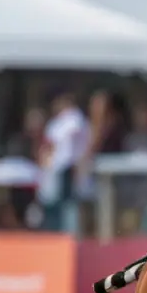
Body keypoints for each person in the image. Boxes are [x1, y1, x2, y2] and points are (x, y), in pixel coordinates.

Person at [37, 89, 91, 234]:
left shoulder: (75, 120)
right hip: (55, 169)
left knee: (69, 205)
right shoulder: (57, 123)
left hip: (68, 168)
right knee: (53, 206)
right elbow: (48, 146)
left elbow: (74, 146)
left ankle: (70, 236)